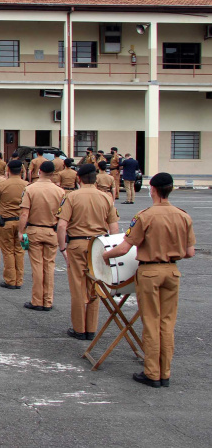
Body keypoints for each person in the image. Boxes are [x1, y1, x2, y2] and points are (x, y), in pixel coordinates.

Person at [101, 172, 194, 388]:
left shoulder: (145, 215)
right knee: (167, 323)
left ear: (152, 189)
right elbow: (189, 252)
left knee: (151, 322)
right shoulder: (183, 216)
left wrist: (104, 256)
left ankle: (152, 372)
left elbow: (125, 247)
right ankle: (165, 372)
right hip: (172, 271)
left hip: (150, 272)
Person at [56, 164, 119, 340]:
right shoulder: (106, 198)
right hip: (98, 245)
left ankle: (79, 328)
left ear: (79, 179)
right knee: (95, 286)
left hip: (77, 244)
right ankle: (91, 328)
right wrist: (111, 249)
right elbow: (114, 227)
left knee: (78, 287)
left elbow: (62, 225)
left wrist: (62, 248)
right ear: (95, 179)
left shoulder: (72, 197)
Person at [17, 160, 64, 311]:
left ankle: (37, 300)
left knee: (37, 266)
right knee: (49, 266)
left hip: (35, 230)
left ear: (39, 171)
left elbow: (24, 213)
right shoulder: (60, 191)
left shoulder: (30, 189)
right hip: (52, 231)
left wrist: (20, 231)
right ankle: (48, 300)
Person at [0, 160, 27, 289]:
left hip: (7, 221)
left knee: (8, 251)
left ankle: (10, 279)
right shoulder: (27, 185)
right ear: (21, 170)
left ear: (8, 170)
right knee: (20, 250)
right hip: (23, 222)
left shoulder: (3, 184)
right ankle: (19, 279)